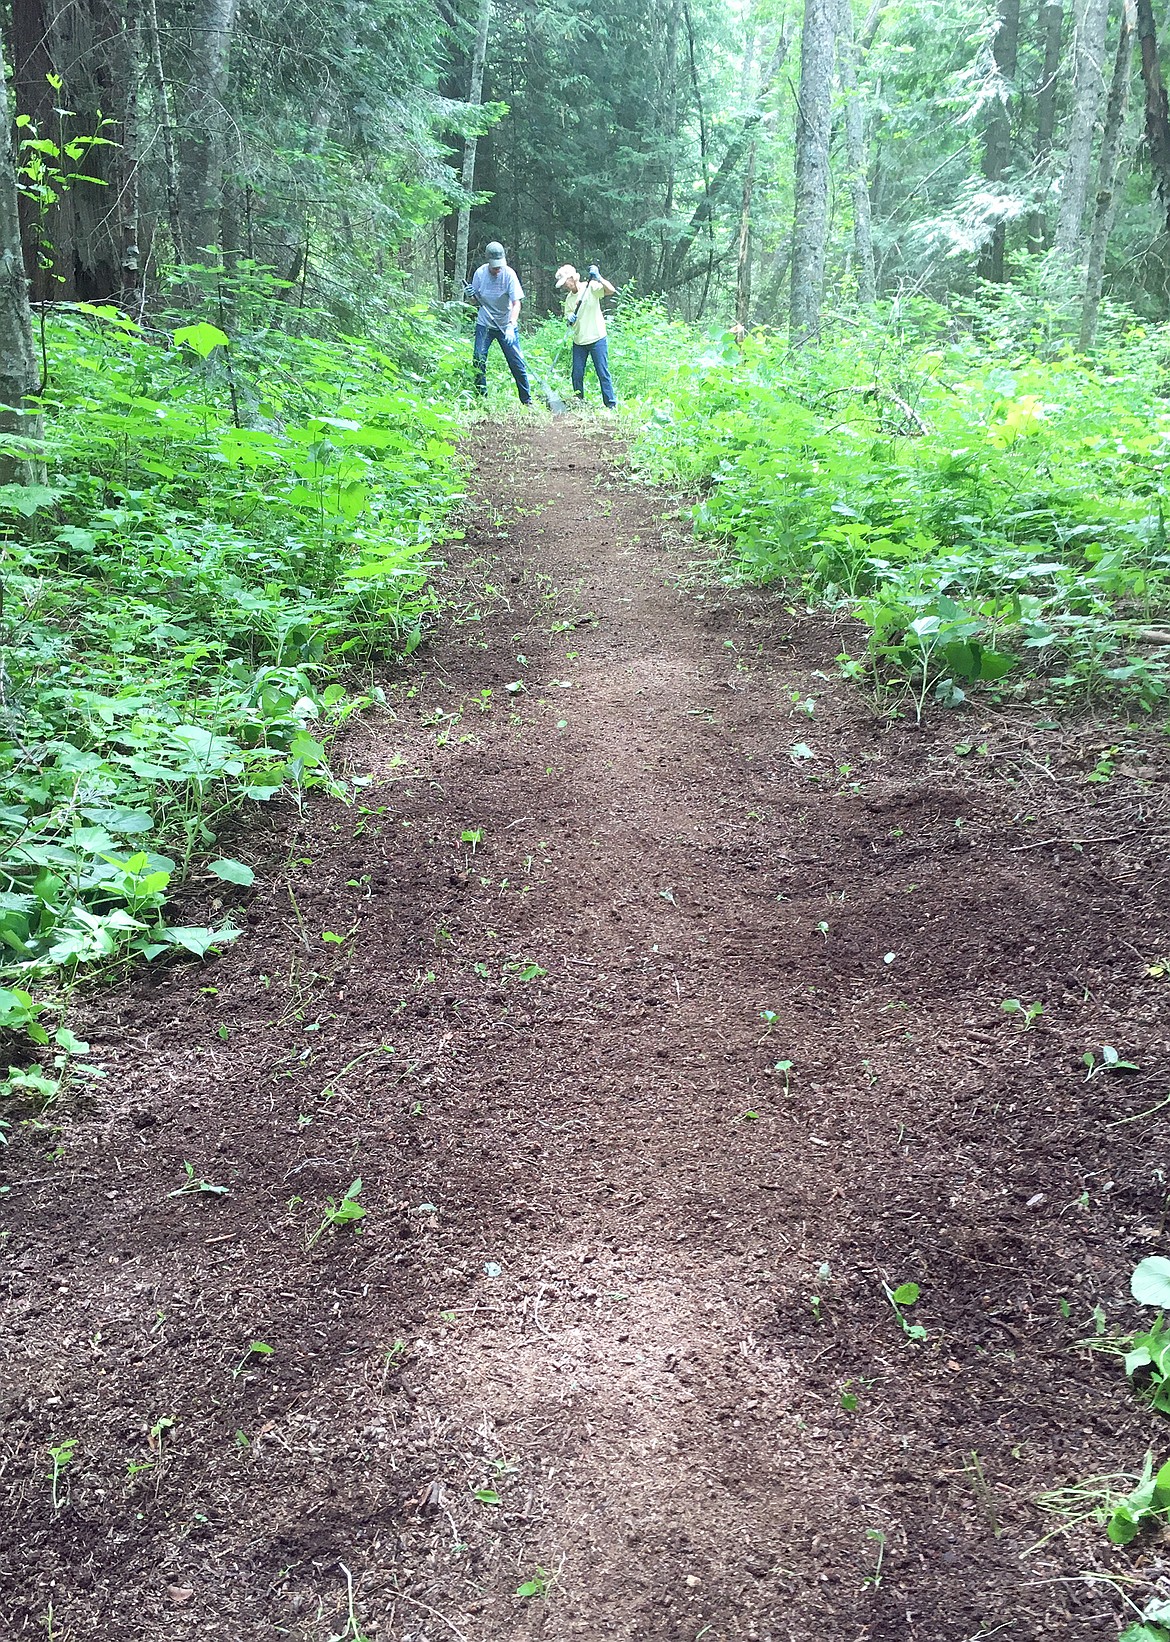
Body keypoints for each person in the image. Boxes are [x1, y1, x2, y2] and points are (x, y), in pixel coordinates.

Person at [466, 241, 532, 405]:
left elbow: (516, 303)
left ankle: (527, 401)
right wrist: (470, 295)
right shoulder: (480, 274)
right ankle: (481, 399)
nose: (497, 269)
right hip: (485, 325)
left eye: (499, 266)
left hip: (506, 325)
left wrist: (511, 325)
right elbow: (475, 301)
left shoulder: (509, 274)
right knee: (478, 359)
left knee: (517, 363)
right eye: (494, 266)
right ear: (488, 261)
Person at [554, 262, 618, 409]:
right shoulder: (569, 299)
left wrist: (599, 278)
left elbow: (611, 290)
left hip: (597, 338)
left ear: (573, 278)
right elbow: (568, 320)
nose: (565, 286)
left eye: (566, 282)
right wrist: (569, 319)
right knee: (577, 373)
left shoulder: (590, 288)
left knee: (602, 372)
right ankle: (579, 402)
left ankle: (611, 405)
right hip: (579, 341)